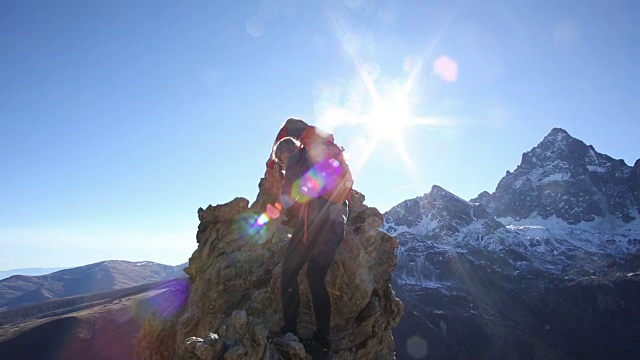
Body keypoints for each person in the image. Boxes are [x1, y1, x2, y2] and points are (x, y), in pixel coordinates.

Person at [274, 124, 349, 358]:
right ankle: (322, 341)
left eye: (281, 160)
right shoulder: (319, 156)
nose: (282, 164)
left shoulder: (295, 160)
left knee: (288, 273)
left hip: (314, 224)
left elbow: (289, 197)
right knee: (316, 277)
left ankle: (290, 331)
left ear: (285, 153)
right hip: (336, 223)